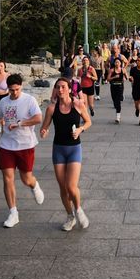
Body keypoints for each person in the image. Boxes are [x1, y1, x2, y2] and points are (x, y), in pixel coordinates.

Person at [0, 73, 44, 228]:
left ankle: (34, 185)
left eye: (16, 89)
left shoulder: (29, 100)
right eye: (11, 90)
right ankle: (13, 212)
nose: (14, 93)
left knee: (25, 179)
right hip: (7, 145)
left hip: (25, 145)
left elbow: (38, 118)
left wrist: (21, 123)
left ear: (21, 86)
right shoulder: (3, 101)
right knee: (7, 178)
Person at [40, 77, 91, 231]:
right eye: (57, 87)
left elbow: (88, 122)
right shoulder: (51, 109)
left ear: (69, 89)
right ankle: (70, 216)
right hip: (59, 150)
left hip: (74, 149)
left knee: (71, 186)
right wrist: (44, 131)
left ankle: (78, 209)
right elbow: (44, 127)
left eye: (63, 87)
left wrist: (81, 129)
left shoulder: (78, 104)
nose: (60, 90)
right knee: (63, 188)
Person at [107, 52, 127, 122]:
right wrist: (114, 77)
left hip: (120, 86)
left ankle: (118, 116)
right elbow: (108, 79)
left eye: (118, 62)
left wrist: (125, 78)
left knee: (118, 101)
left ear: (120, 63)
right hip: (113, 86)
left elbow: (126, 77)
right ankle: (117, 107)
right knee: (114, 101)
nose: (117, 63)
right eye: (116, 62)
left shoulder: (123, 70)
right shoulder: (112, 70)